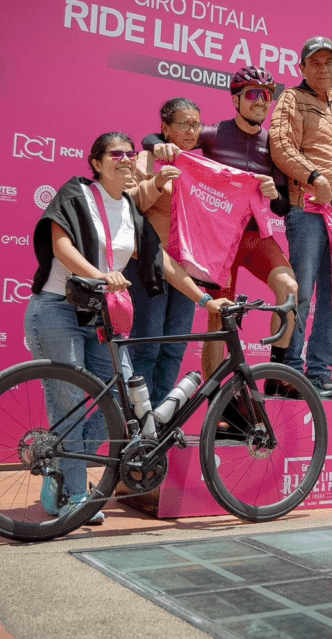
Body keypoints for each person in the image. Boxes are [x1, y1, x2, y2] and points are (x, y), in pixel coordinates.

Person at [27, 132, 230, 524]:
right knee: (71, 400)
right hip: (57, 310)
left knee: (118, 405)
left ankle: (58, 467)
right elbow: (61, 246)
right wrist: (99, 275)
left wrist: (205, 299)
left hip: (99, 318)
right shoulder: (76, 194)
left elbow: (163, 263)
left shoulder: (130, 212)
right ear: (96, 163)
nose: (124, 160)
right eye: (114, 154)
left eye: (129, 154)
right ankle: (74, 494)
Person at [142, 67, 299, 390]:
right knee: (219, 317)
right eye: (252, 94)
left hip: (255, 238)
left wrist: (275, 194)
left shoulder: (274, 144)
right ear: (236, 100)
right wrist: (157, 146)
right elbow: (155, 139)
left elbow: (282, 206)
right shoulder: (213, 134)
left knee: (290, 289)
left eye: (266, 95)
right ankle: (217, 398)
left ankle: (276, 377)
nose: (260, 101)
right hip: (219, 242)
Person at [268, 36, 332, 398]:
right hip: (306, 211)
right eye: (315, 63)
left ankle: (319, 373)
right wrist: (313, 176)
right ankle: (291, 371)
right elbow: (281, 146)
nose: (322, 69)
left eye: (328, 62)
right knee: (302, 293)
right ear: (302, 68)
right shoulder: (292, 98)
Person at [125, 98, 204, 406]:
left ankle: (160, 418)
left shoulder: (203, 165)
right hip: (150, 264)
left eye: (196, 124)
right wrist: (156, 183)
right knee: (147, 345)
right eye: (183, 124)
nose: (191, 131)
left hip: (186, 267)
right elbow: (129, 204)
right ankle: (139, 416)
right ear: (166, 128)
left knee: (174, 347)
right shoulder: (145, 159)